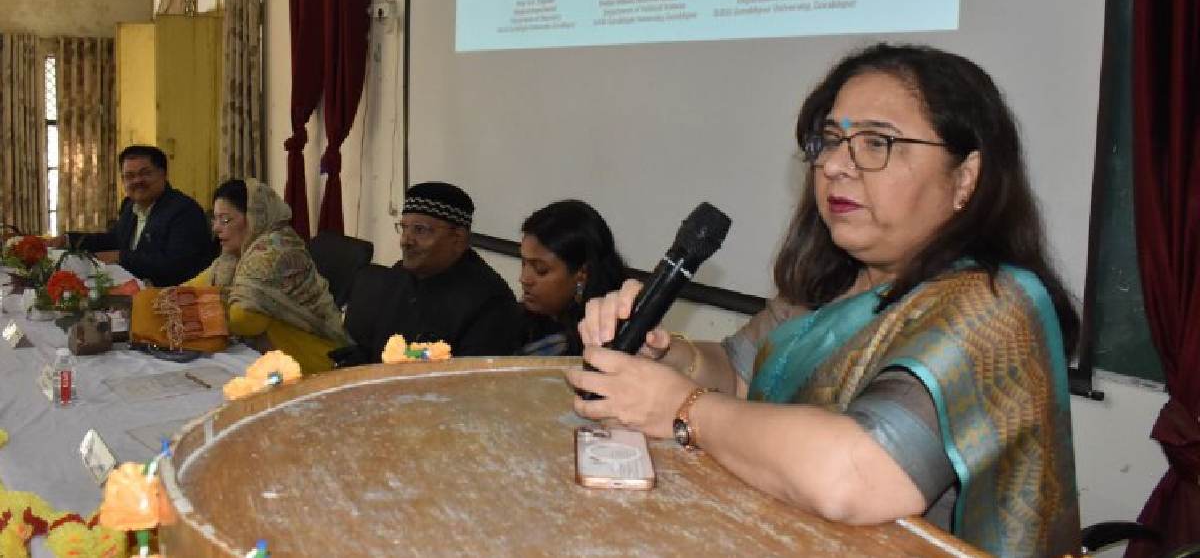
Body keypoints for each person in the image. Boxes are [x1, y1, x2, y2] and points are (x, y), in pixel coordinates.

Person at [567, 43, 1081, 557]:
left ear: (965, 176)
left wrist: (682, 408)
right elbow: (739, 374)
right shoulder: (834, 282)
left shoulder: (998, 304)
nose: (834, 164)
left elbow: (856, 476)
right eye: (831, 140)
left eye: (877, 142)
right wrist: (667, 355)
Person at [344, 182, 524, 360]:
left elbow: (469, 375)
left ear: (457, 239)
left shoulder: (489, 303)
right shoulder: (399, 275)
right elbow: (371, 348)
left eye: (420, 230)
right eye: (404, 228)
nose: (405, 241)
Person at [187, 178, 348, 374]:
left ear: (254, 218)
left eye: (225, 220)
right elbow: (195, 287)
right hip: (270, 357)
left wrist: (196, 309)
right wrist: (164, 297)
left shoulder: (274, 252)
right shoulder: (234, 256)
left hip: (311, 361)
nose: (216, 228)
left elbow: (245, 320)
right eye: (215, 219)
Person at [62, 145, 214, 286]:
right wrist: (68, 240)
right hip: (131, 289)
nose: (137, 181)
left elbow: (175, 264)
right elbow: (114, 240)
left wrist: (121, 257)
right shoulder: (130, 206)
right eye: (129, 176)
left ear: (163, 174)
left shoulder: (184, 211)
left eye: (145, 173)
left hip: (172, 294)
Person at [517, 200, 627, 355]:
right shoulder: (516, 319)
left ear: (582, 274)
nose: (524, 279)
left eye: (540, 269)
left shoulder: (608, 338)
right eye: (523, 263)